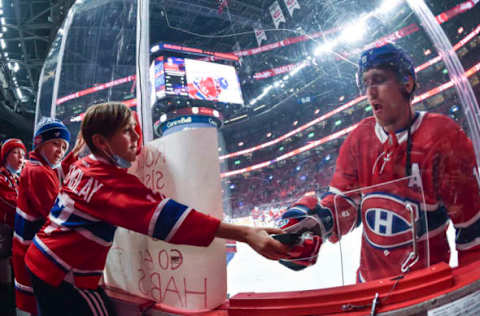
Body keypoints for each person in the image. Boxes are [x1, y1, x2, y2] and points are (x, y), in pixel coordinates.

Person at [24, 102, 289, 316]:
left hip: (42, 261)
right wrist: (246, 233)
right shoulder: (108, 181)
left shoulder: (82, 166)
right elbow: (169, 219)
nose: (137, 137)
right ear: (102, 143)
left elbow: (90, 150)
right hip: (64, 275)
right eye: (128, 131)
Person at [277, 43, 480, 282]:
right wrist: (318, 222)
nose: (370, 92)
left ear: (407, 83)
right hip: (367, 288)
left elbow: (472, 230)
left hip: (425, 289)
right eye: (366, 83)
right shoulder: (359, 139)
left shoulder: (442, 136)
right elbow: (346, 203)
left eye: (379, 80)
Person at [12, 118, 81, 315]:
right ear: (40, 143)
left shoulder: (40, 167)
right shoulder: (37, 172)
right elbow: (57, 214)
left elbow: (59, 170)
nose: (60, 150)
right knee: (37, 306)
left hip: (26, 251)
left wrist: (76, 151)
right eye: (55, 144)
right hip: (31, 254)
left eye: (63, 146)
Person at [0, 139, 25, 316]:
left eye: (23, 154)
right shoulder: (2, 178)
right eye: (16, 153)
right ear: (5, 156)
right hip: (3, 238)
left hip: (12, 238)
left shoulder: (16, 179)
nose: (21, 158)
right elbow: (13, 204)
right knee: (5, 284)